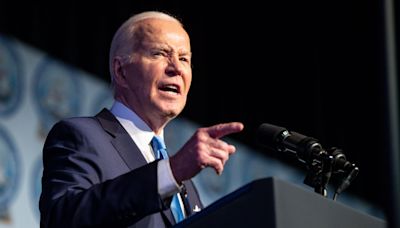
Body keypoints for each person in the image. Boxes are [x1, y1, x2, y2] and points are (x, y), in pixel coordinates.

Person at [39, 10, 244, 228]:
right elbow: (62, 219)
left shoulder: (187, 186)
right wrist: (171, 172)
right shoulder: (82, 135)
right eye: (159, 54)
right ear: (121, 71)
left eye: (184, 58)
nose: (176, 68)